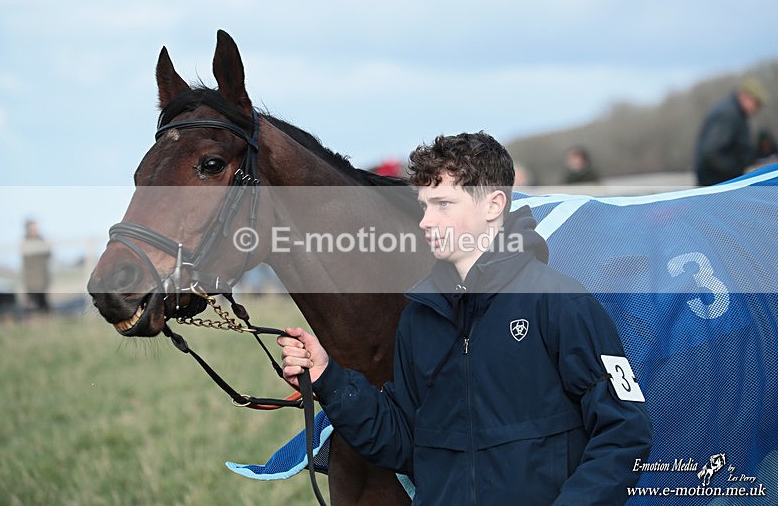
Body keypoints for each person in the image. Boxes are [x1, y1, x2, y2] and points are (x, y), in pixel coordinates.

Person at [279, 132, 652, 505]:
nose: (426, 222)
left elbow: (624, 433)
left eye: (443, 204)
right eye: (424, 206)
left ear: (493, 205)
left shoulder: (561, 303)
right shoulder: (419, 318)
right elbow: (402, 443)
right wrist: (328, 378)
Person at [694, 76, 770, 186]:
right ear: (745, 96)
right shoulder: (728, 114)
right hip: (717, 184)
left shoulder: (737, 114)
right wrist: (738, 172)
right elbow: (712, 153)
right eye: (757, 103)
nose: (757, 108)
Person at [20, 219, 51, 313]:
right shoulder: (26, 242)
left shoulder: (41, 240)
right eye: (33, 229)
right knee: (32, 306)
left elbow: (48, 254)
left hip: (43, 278)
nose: (36, 231)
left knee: (43, 305)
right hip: (32, 281)